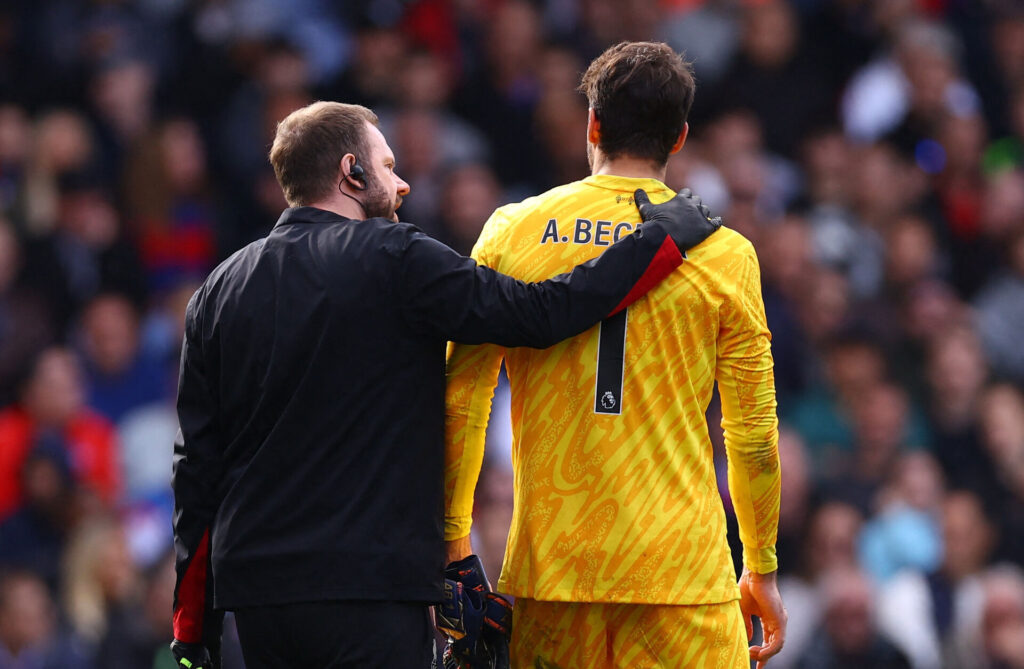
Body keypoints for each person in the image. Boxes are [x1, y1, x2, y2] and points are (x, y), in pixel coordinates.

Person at [169, 100, 722, 668]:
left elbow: (197, 471)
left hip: (259, 595)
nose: (403, 184)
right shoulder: (396, 258)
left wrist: (192, 631)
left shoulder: (218, 290)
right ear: (351, 172)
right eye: (388, 167)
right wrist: (660, 242)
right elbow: (538, 314)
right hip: (371, 588)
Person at [443, 41, 786, 668]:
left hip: (555, 573)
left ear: (593, 124)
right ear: (680, 138)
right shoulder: (726, 255)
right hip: (683, 578)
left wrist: (452, 544)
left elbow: (461, 406)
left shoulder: (511, 230)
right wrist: (760, 564)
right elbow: (754, 435)